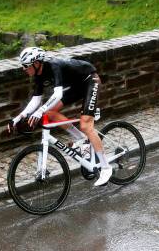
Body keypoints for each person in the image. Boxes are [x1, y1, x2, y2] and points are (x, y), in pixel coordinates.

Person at [8, 47, 112, 186]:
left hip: (90, 80)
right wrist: (18, 118)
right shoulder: (38, 75)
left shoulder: (54, 66)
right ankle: (82, 139)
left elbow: (58, 95)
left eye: (26, 65)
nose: (24, 69)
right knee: (49, 113)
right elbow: (36, 100)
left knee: (86, 125)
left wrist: (40, 111)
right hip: (77, 86)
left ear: (36, 63)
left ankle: (106, 168)